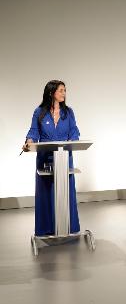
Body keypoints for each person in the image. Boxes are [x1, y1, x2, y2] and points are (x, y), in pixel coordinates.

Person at [23, 80, 81, 236]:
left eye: (65, 90)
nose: (64, 93)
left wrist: (73, 140)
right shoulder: (39, 112)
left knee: (65, 193)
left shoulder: (68, 112)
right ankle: (46, 229)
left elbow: (74, 130)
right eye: (61, 90)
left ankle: (69, 229)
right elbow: (34, 132)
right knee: (47, 194)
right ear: (51, 93)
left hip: (64, 158)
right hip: (45, 159)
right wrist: (29, 141)